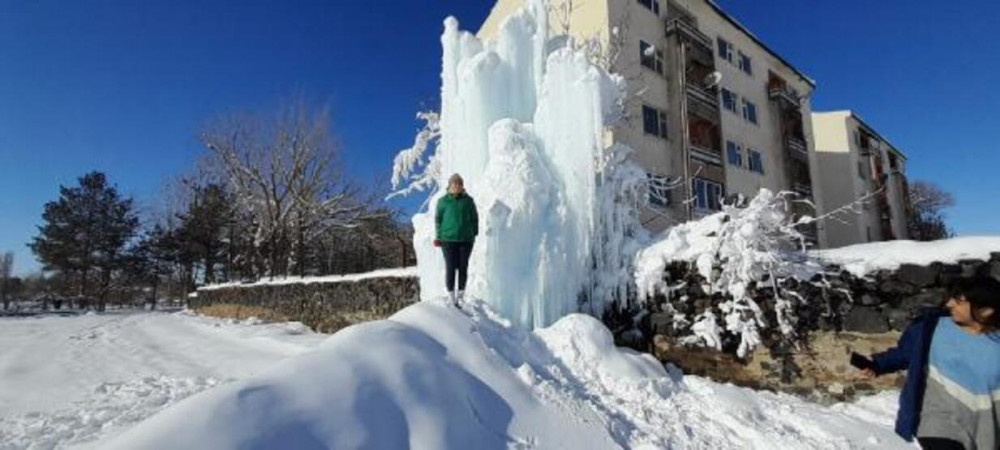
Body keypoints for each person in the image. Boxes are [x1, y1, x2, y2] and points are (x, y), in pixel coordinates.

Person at [859, 277, 999, 450]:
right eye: (951, 298)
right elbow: (904, 353)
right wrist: (877, 364)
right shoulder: (930, 328)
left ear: (986, 310)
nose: (949, 304)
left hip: (987, 423)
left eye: (959, 301)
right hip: (937, 421)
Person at [434, 174, 478, 305]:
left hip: (466, 240)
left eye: (459, 183)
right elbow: (438, 220)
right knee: (451, 267)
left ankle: (461, 295)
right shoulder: (442, 201)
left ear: (462, 186)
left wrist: (474, 232)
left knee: (463, 267)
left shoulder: (468, 201)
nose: (457, 185)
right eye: (454, 183)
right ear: (450, 185)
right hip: (448, 240)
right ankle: (451, 295)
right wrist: (438, 236)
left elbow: (474, 217)